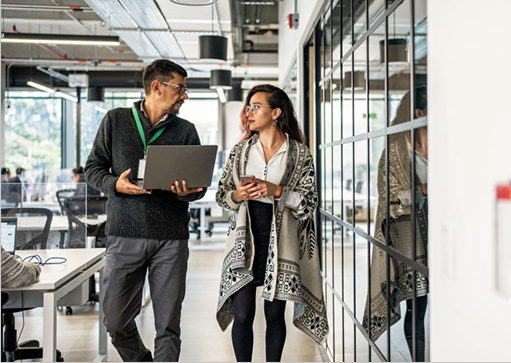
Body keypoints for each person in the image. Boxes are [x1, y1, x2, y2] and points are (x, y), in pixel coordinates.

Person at [85, 59, 206, 362]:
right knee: (115, 321)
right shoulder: (115, 120)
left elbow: (199, 187)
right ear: (157, 86)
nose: (184, 95)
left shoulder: (186, 130)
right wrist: (115, 184)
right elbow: (92, 169)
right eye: (180, 88)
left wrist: (188, 192)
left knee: (168, 325)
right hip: (124, 234)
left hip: (171, 238)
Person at [215, 84, 328, 361]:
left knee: (274, 313)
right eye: (248, 106)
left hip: (282, 239)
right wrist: (238, 194)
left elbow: (309, 203)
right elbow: (221, 195)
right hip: (246, 237)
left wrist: (277, 191)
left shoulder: (300, 154)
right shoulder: (240, 151)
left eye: (256, 106)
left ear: (276, 112)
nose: (249, 112)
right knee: (242, 314)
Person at [363, 87, 429, 361]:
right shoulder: (394, 153)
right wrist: (422, 190)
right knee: (418, 306)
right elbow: (388, 199)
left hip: (450, 233)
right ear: (419, 113)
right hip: (412, 239)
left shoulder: (450, 145)